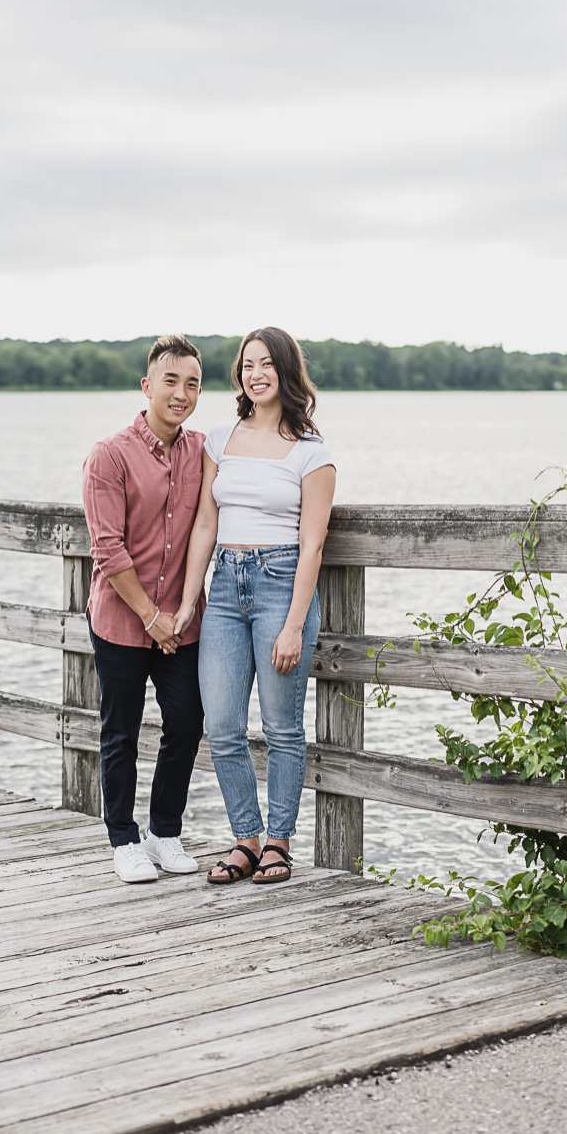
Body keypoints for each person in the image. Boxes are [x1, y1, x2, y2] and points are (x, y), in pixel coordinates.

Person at [173, 327, 336, 886]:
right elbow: (203, 524)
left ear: (286, 372)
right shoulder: (220, 438)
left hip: (281, 584)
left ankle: (278, 843)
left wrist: (293, 624)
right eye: (247, 365)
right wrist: (191, 598)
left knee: (282, 728)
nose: (255, 374)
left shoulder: (313, 453)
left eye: (266, 364)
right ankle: (244, 838)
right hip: (224, 588)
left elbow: (313, 544)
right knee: (220, 724)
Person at [82, 334, 206, 884]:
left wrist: (172, 615)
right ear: (148, 386)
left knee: (186, 723)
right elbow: (108, 547)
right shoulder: (110, 455)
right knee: (121, 732)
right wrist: (149, 615)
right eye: (171, 381)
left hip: (182, 623)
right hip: (121, 620)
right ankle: (124, 839)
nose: (182, 393)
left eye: (193, 383)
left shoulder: (205, 450)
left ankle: (164, 832)